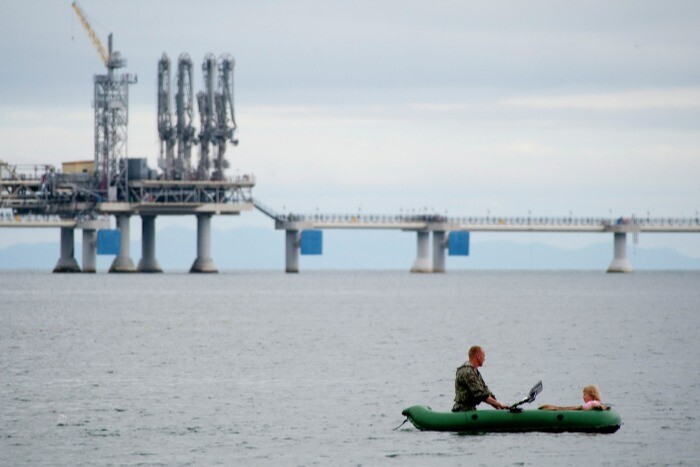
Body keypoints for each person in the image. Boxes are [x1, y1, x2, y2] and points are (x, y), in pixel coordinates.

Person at [452, 345, 509, 412]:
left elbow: (486, 392)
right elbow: (480, 395)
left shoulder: (474, 372)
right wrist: (499, 404)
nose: (484, 359)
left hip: (471, 410)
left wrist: (499, 408)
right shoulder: (467, 372)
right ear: (478, 356)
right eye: (483, 356)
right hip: (462, 410)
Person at [539, 385, 606, 411]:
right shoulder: (594, 403)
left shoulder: (594, 403)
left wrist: (584, 407)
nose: (583, 396)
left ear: (592, 395)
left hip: (581, 409)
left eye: (585, 395)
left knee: (560, 409)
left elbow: (590, 406)